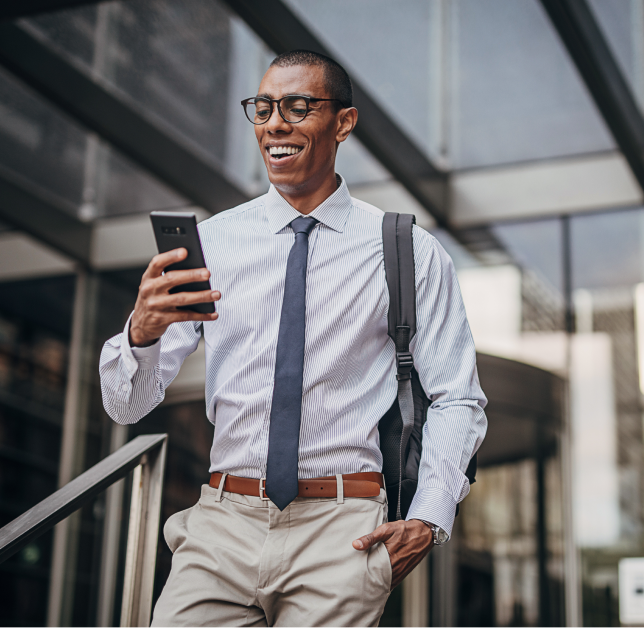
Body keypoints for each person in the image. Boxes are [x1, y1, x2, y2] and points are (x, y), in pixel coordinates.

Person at [100, 50, 487, 628]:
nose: (275, 124)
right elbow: (125, 405)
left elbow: (458, 396)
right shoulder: (214, 242)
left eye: (298, 106)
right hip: (223, 522)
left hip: (342, 531)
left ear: (344, 123)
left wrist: (429, 520)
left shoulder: (407, 250)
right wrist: (142, 333)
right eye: (263, 108)